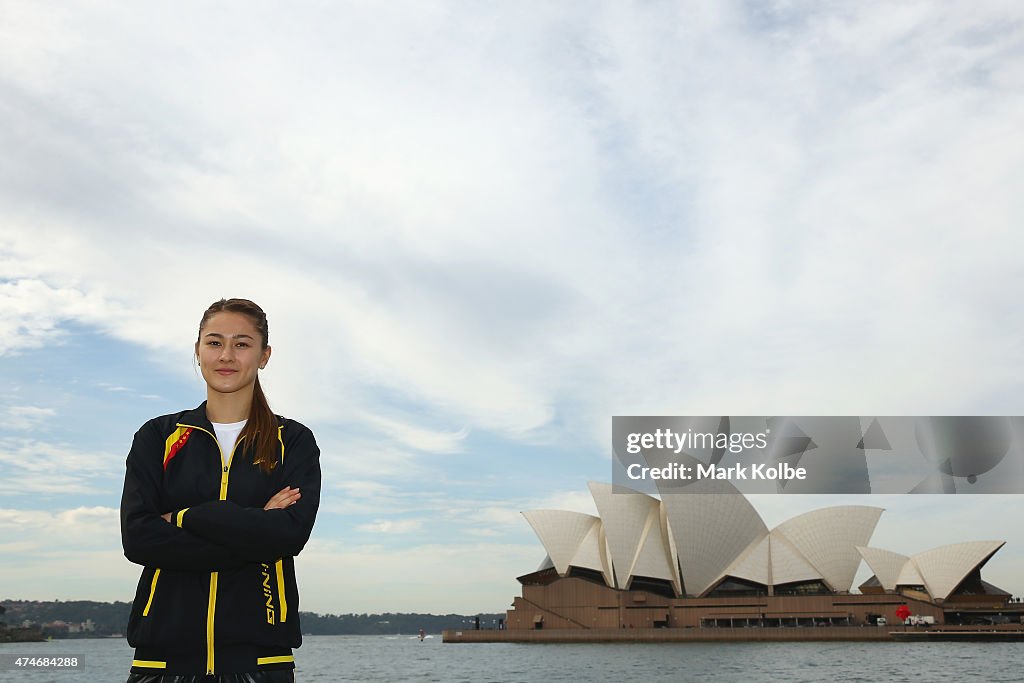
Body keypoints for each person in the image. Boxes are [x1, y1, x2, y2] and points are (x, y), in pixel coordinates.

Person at [120, 298, 321, 682]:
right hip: (161, 663)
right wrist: (255, 529)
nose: (226, 355)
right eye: (214, 342)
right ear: (197, 351)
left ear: (264, 355)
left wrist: (184, 517)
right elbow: (139, 538)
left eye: (242, 344)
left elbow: (290, 533)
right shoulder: (158, 436)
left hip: (260, 664)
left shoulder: (292, 440)